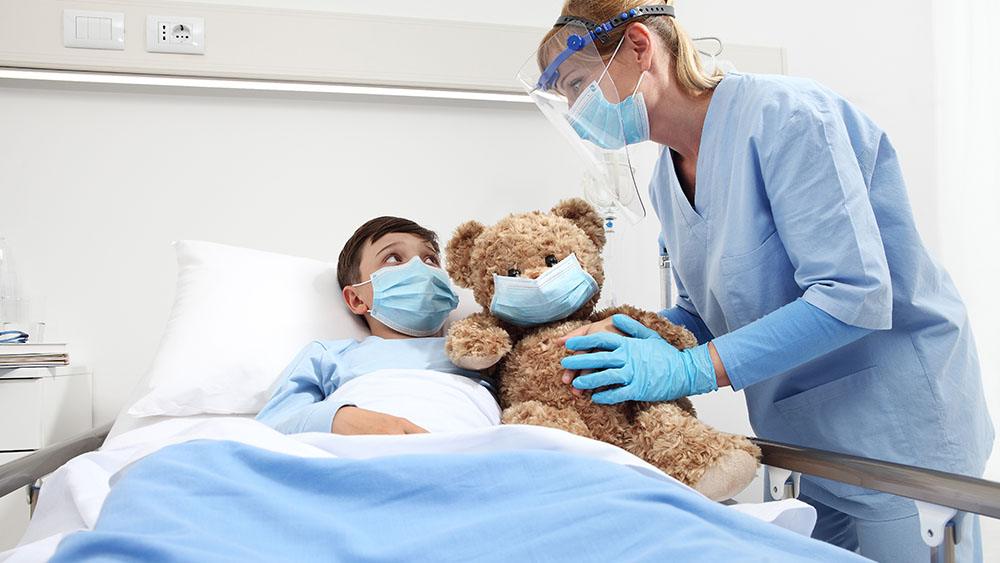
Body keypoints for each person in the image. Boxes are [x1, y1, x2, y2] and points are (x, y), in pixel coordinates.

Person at [522, 1, 994, 561]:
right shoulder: (666, 182)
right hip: (803, 439)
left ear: (641, 47)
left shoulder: (786, 116)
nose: (576, 109)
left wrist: (689, 370)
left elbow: (853, 294)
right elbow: (703, 311)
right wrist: (635, 334)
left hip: (894, 431)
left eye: (578, 84)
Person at [256, 217, 499, 436]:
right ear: (357, 299)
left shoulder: (488, 350)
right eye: (393, 258)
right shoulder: (329, 356)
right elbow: (273, 424)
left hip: (472, 455)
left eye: (430, 259)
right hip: (363, 456)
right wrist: (341, 418)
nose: (420, 267)